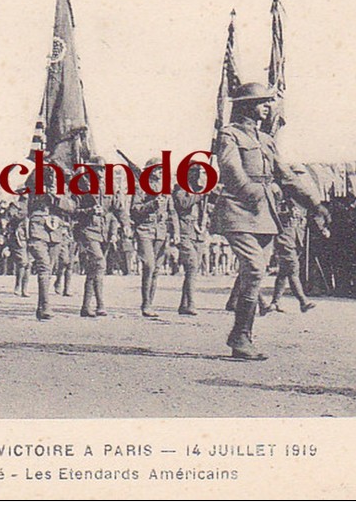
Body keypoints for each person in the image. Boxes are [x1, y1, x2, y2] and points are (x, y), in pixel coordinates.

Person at [216, 82, 329, 360]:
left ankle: (242, 336)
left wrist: (314, 203)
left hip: (266, 214)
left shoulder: (266, 140)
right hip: (238, 209)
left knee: (254, 274)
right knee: (254, 268)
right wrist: (252, 192)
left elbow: (285, 176)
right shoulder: (228, 134)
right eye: (263, 102)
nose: (269, 107)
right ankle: (241, 336)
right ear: (245, 105)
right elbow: (230, 168)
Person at [130, 157, 177, 318]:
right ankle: (145, 304)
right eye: (157, 169)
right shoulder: (140, 187)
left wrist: (175, 231)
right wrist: (152, 205)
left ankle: (149, 303)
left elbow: (172, 212)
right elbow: (135, 210)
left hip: (161, 231)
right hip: (145, 230)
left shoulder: (165, 188)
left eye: (161, 169)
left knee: (156, 269)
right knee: (148, 265)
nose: (160, 172)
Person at [27, 169, 74, 321]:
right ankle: (45, 305)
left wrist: (58, 197)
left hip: (56, 230)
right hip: (38, 228)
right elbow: (30, 182)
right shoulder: (36, 180)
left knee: (51, 267)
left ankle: (41, 307)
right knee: (44, 266)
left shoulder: (65, 187)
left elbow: (71, 206)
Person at [262, 183, 316, 314]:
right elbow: (275, 216)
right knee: (293, 270)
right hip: (284, 240)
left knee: (283, 273)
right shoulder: (278, 200)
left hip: (296, 241)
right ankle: (303, 301)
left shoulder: (299, 203)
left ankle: (275, 302)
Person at [73, 156, 110, 317]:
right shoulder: (81, 186)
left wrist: (125, 225)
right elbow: (72, 210)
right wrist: (90, 211)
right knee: (100, 263)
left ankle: (86, 307)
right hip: (86, 230)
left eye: (102, 169)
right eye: (97, 169)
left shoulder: (105, 187)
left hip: (102, 232)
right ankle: (100, 304)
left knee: (93, 268)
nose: (101, 172)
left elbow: (117, 207)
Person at [172, 165, 210, 316]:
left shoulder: (201, 188)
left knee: (192, 271)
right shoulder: (180, 188)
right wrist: (201, 194)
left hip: (199, 233)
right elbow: (183, 204)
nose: (196, 175)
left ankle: (184, 304)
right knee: (192, 266)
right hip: (185, 232)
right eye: (192, 172)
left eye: (198, 172)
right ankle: (191, 303)